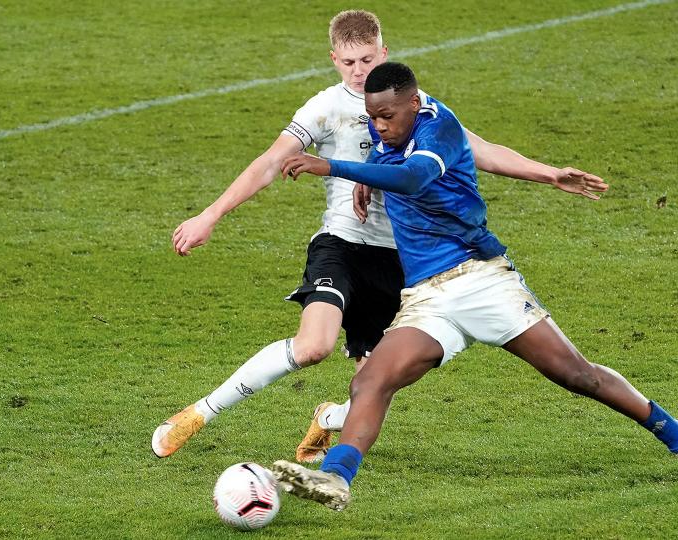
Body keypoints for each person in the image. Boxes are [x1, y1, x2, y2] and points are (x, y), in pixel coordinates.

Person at [152, 11, 608, 461]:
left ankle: (329, 419)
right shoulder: (325, 108)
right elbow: (271, 162)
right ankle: (197, 414)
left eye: (367, 59)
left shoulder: (419, 107)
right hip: (342, 245)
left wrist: (549, 174)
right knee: (314, 346)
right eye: (349, 62)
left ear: (383, 52)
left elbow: (482, 150)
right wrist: (210, 215)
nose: (359, 71)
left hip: (402, 261)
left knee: (372, 387)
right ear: (334, 59)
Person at [272, 62, 678, 511]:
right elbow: (392, 164)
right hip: (427, 299)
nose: (379, 125)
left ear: (413, 101)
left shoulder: (439, 128)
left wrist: (333, 166)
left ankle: (676, 433)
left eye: (387, 116)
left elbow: (414, 177)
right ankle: (335, 478)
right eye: (372, 117)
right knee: (370, 381)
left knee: (577, 376)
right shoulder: (392, 135)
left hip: (481, 280)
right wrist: (369, 170)